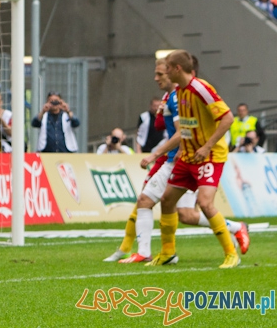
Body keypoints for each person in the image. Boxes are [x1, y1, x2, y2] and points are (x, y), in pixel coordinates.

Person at [104, 58, 249, 264]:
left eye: (162, 73)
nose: (156, 78)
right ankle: (161, 252)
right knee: (175, 208)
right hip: (182, 157)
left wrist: (158, 154)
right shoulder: (176, 94)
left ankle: (230, 250)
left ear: (176, 70)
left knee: (195, 205)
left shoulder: (196, 90)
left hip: (194, 157)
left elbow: (208, 123)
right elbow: (170, 126)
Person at [147, 50, 240, 269]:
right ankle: (167, 253)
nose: (164, 73)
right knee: (167, 200)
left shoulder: (201, 88)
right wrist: (183, 148)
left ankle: (231, 254)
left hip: (209, 156)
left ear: (177, 69)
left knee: (205, 204)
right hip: (188, 156)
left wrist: (207, 146)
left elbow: (228, 118)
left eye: (167, 69)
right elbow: (188, 124)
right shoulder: (179, 91)